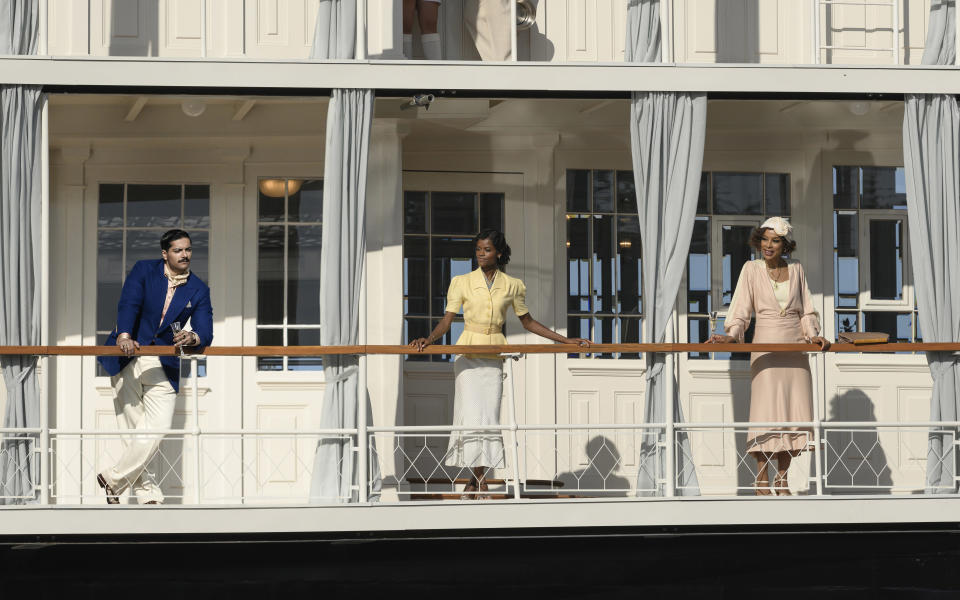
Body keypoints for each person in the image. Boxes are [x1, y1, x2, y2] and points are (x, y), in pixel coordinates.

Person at [411, 229, 589, 498]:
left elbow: (527, 322)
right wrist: (430, 338)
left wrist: (566, 341)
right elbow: (447, 320)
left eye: (487, 250)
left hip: (495, 356)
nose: (481, 254)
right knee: (472, 417)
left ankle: (474, 479)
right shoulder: (462, 281)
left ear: (500, 253)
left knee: (489, 419)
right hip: (468, 356)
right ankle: (480, 479)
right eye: (478, 250)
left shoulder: (513, 285)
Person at [708, 217, 830, 496]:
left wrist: (813, 336)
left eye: (775, 240)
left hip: (795, 350)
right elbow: (740, 309)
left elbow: (807, 311)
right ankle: (762, 479)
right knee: (766, 414)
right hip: (765, 348)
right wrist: (731, 334)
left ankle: (782, 481)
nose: (768, 245)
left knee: (791, 413)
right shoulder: (751, 269)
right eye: (764, 239)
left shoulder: (797, 269)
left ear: (785, 245)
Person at [96, 229, 213, 505]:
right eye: (178, 250)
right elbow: (129, 303)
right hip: (127, 356)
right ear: (165, 253)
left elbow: (205, 328)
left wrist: (193, 336)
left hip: (164, 362)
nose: (184, 255)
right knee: (133, 430)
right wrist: (124, 334)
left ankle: (112, 478)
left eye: (188, 249)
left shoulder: (198, 288)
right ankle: (148, 493)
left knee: (157, 426)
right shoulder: (144, 270)